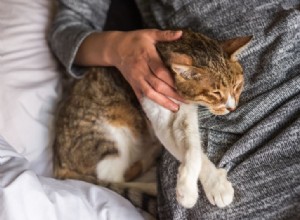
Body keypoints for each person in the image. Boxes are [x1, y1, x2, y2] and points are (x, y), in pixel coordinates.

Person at [50, 0, 300, 219]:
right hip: (202, 101)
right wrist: (119, 46)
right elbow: (65, 30)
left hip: (289, 61)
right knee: (220, 205)